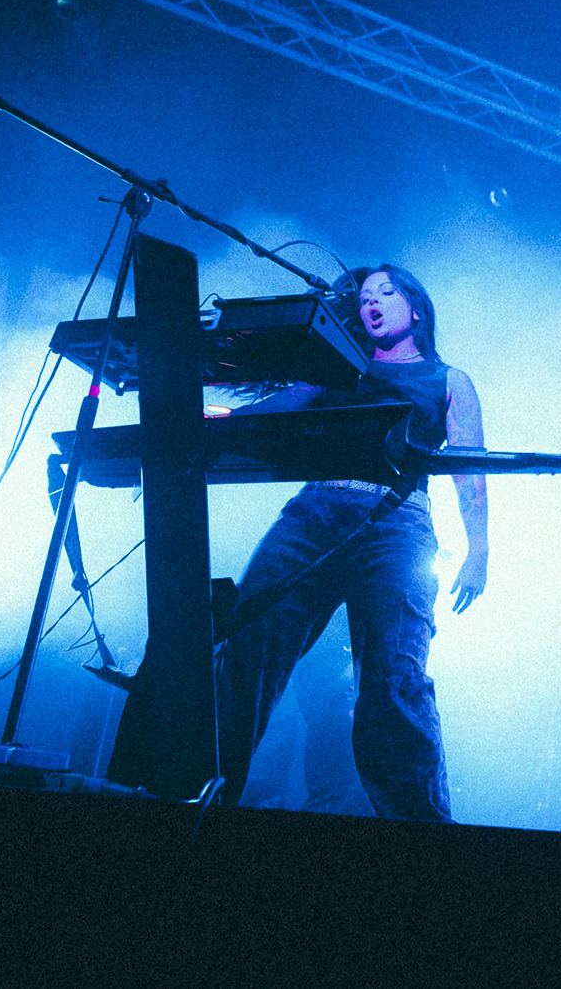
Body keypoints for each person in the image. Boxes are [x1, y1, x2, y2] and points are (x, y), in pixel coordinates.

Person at [215, 264, 488, 821]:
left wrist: (478, 549)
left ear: (417, 308)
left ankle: (422, 830)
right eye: (364, 298)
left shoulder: (448, 380)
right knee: (248, 644)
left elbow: (470, 466)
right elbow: (280, 407)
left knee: (393, 677)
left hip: (396, 522)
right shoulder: (339, 365)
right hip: (315, 512)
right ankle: (199, 801)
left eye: (386, 292)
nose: (371, 302)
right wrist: (213, 422)